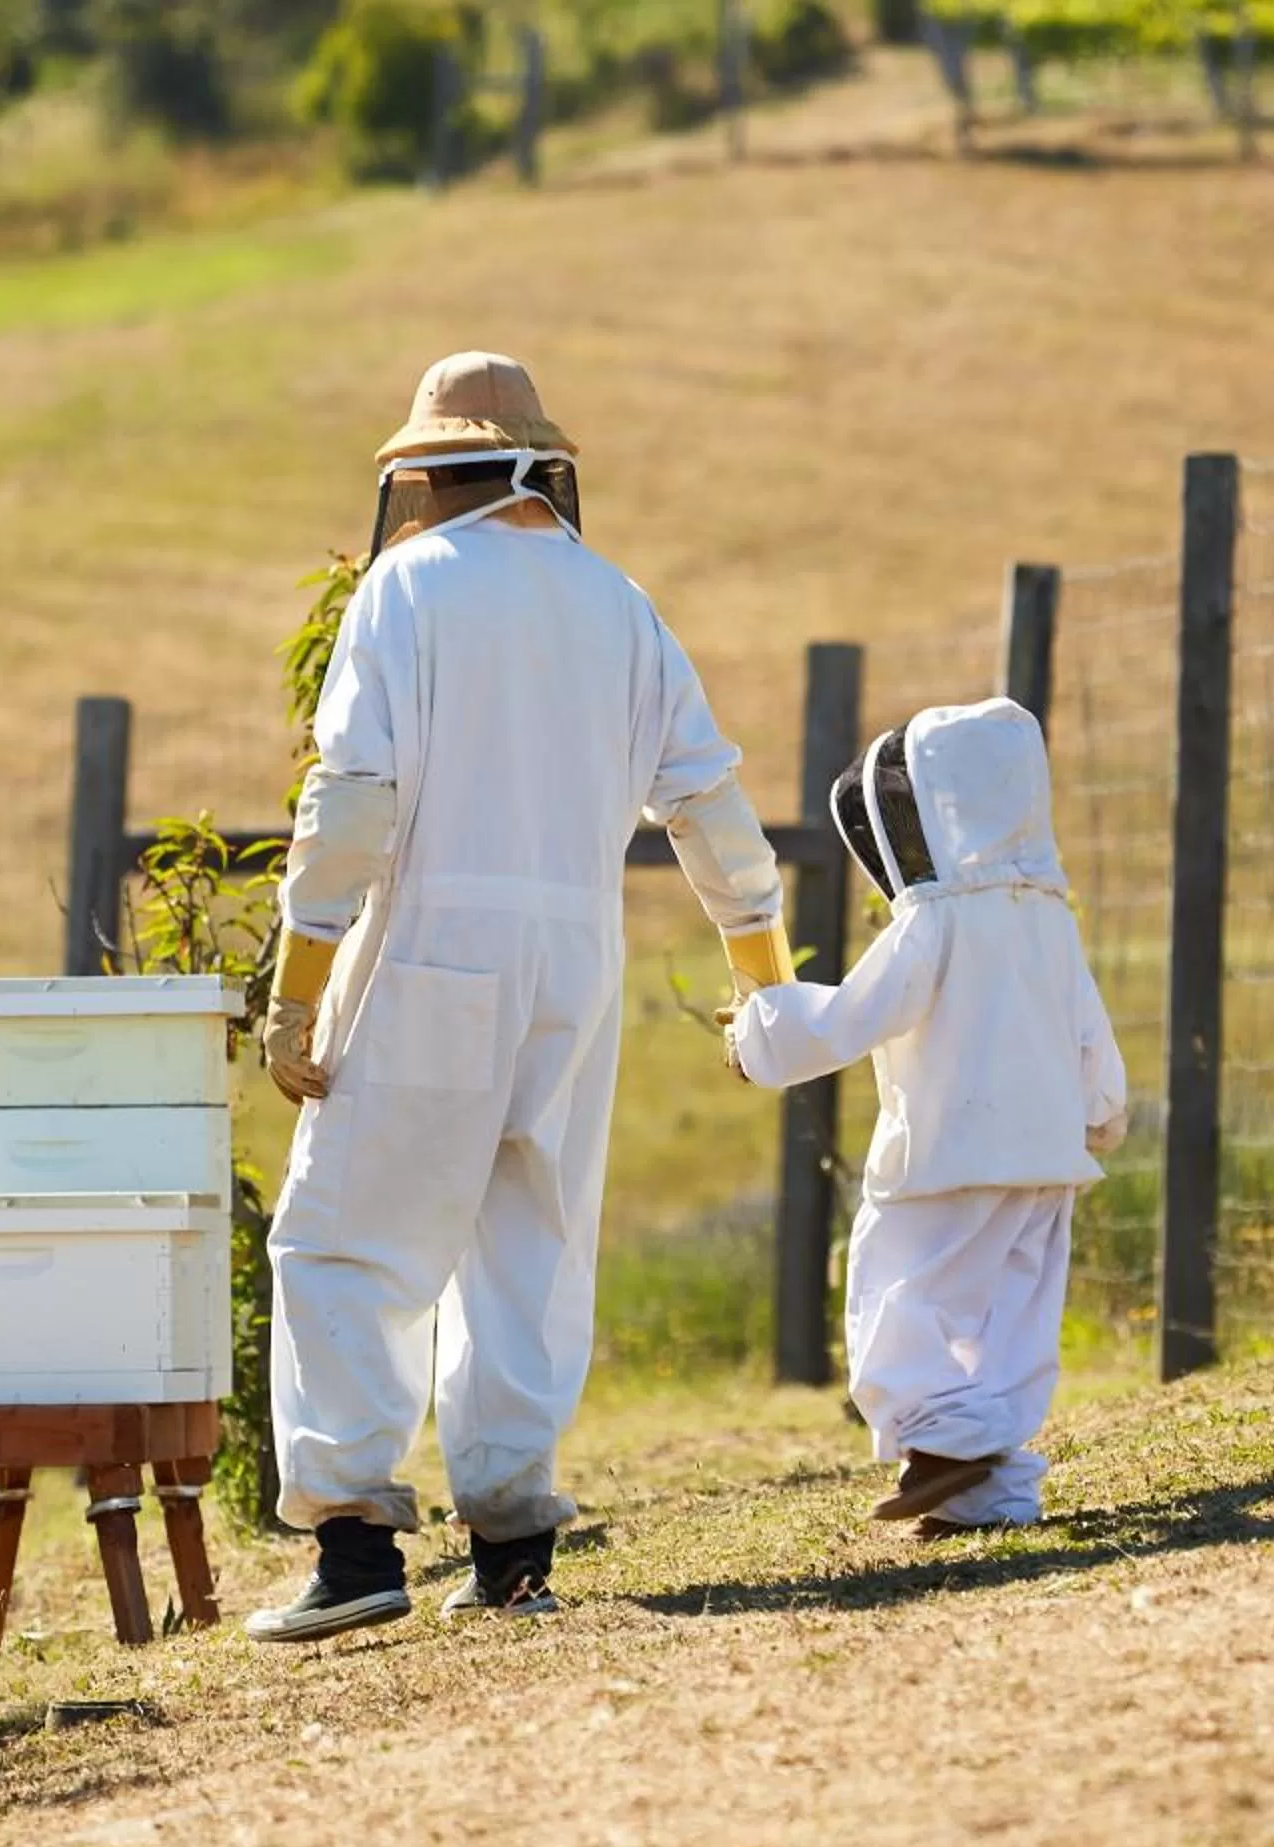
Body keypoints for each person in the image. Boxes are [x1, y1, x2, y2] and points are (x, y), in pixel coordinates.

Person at [246, 353, 793, 1640]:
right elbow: (708, 802)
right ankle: (511, 1544)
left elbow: (354, 802)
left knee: (347, 1235)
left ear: (429, 472)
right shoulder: (619, 603)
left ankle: (355, 1544)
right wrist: (762, 978)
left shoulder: (408, 587)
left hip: (432, 948)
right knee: (529, 1241)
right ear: (542, 465)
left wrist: (297, 983)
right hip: (575, 962)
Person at [722, 698, 1127, 1535]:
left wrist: (758, 1033)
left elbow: (847, 1020)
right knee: (1013, 1320)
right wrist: (1101, 1112)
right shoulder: (1049, 917)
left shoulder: (933, 922)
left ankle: (944, 1447)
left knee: (898, 1292)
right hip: (1045, 1158)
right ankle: (993, 1490)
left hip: (945, 1157)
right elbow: (1088, 1025)